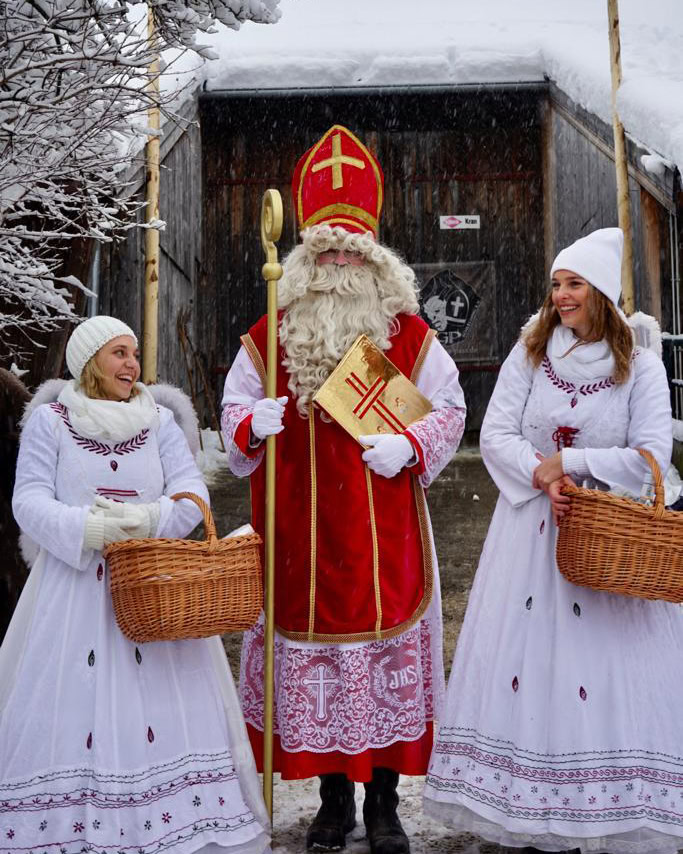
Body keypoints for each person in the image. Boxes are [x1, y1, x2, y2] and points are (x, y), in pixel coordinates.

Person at [221, 125, 466, 854]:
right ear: (300, 261)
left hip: (380, 530)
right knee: (316, 676)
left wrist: (411, 443)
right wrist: (249, 425)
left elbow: (450, 410)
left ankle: (385, 802)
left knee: (380, 662)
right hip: (297, 534)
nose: (335, 263)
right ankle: (332, 800)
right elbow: (232, 414)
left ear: (373, 263)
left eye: (349, 252)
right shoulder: (267, 338)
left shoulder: (410, 337)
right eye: (323, 252)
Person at [423, 228, 680, 853]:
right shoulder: (531, 353)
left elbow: (652, 455)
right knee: (531, 663)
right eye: (557, 285)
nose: (561, 297)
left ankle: (609, 808)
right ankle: (531, 806)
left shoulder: (640, 365)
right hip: (529, 534)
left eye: (575, 285)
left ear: (602, 294)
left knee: (602, 666)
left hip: (605, 537)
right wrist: (541, 475)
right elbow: (496, 434)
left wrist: (573, 466)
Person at [0, 316, 270, 854]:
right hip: (72, 593)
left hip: (153, 589)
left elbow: (191, 491)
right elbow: (27, 500)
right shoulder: (51, 423)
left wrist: (149, 522)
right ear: (89, 362)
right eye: (118, 353)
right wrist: (90, 529)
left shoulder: (160, 423)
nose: (131, 364)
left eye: (134, 353)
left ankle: (171, 821)